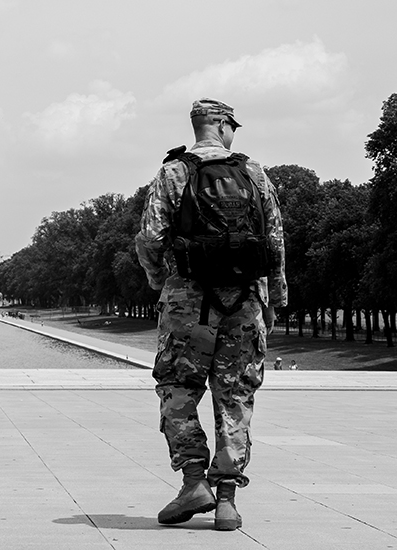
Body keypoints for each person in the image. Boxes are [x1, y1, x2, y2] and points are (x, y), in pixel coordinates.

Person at [135, 98, 287, 531]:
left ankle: (193, 481)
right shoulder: (254, 173)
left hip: (188, 301)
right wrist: (273, 299)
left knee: (178, 388)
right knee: (235, 394)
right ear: (221, 125)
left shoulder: (173, 172)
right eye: (232, 126)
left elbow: (149, 238)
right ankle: (226, 500)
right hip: (245, 301)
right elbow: (275, 242)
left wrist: (161, 281)